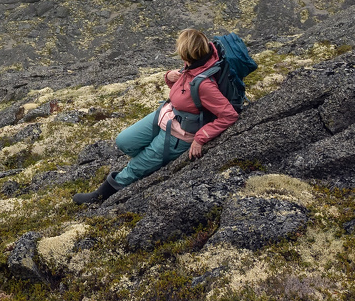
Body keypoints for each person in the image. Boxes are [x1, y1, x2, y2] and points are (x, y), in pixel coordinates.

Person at [73, 28, 239, 204]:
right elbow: (184, 93)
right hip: (165, 114)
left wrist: (200, 138)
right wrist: (169, 77)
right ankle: (149, 161)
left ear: (187, 55)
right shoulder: (197, 62)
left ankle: (101, 195)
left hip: (179, 134)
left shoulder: (205, 84)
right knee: (123, 141)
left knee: (135, 167)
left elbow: (229, 115)